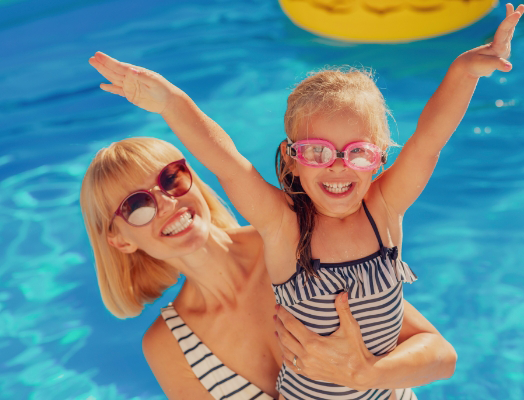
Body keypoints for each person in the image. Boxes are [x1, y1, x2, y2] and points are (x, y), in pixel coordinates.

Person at [86, 4, 524, 398]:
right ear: (294, 162)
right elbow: (229, 164)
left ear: (378, 160)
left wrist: (465, 71)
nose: (337, 167)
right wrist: (171, 103)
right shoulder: (282, 233)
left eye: (173, 178)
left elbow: (428, 143)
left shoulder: (355, 221)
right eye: (137, 205)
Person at [80, 137, 457, 400]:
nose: (166, 202)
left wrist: (367, 374)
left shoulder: (287, 242)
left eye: (170, 178)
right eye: (137, 205)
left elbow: (441, 357)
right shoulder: (168, 345)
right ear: (120, 240)